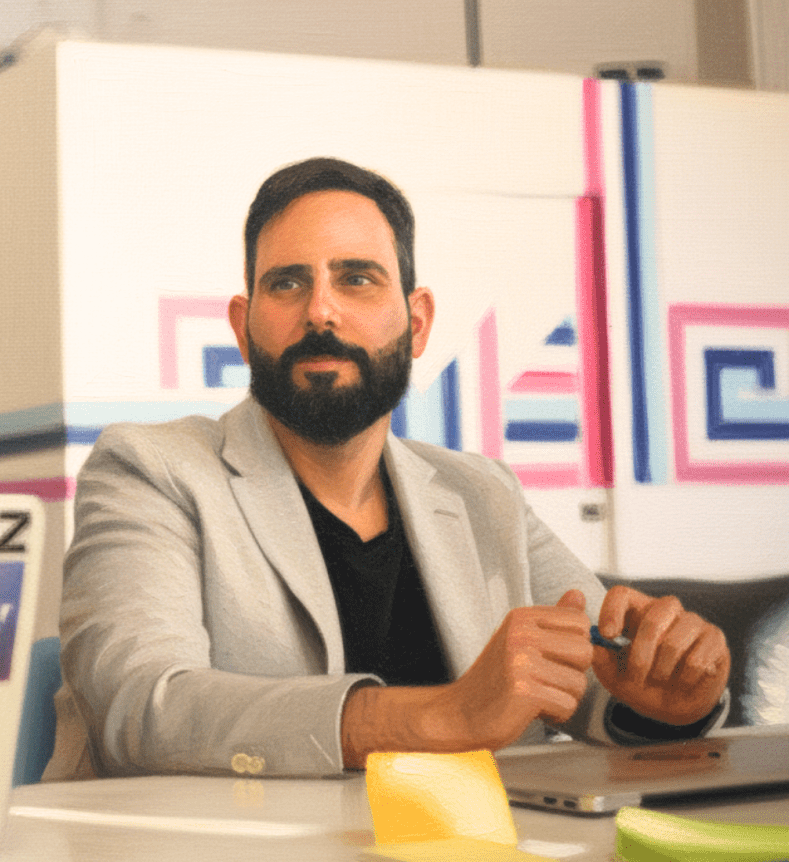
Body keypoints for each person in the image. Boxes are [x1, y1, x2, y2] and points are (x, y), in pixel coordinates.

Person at [47, 157, 730, 780]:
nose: (320, 310)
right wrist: (445, 716)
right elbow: (144, 709)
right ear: (243, 325)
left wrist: (669, 697)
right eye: (287, 283)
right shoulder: (150, 469)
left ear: (418, 320)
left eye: (357, 279)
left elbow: (598, 685)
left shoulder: (483, 493)